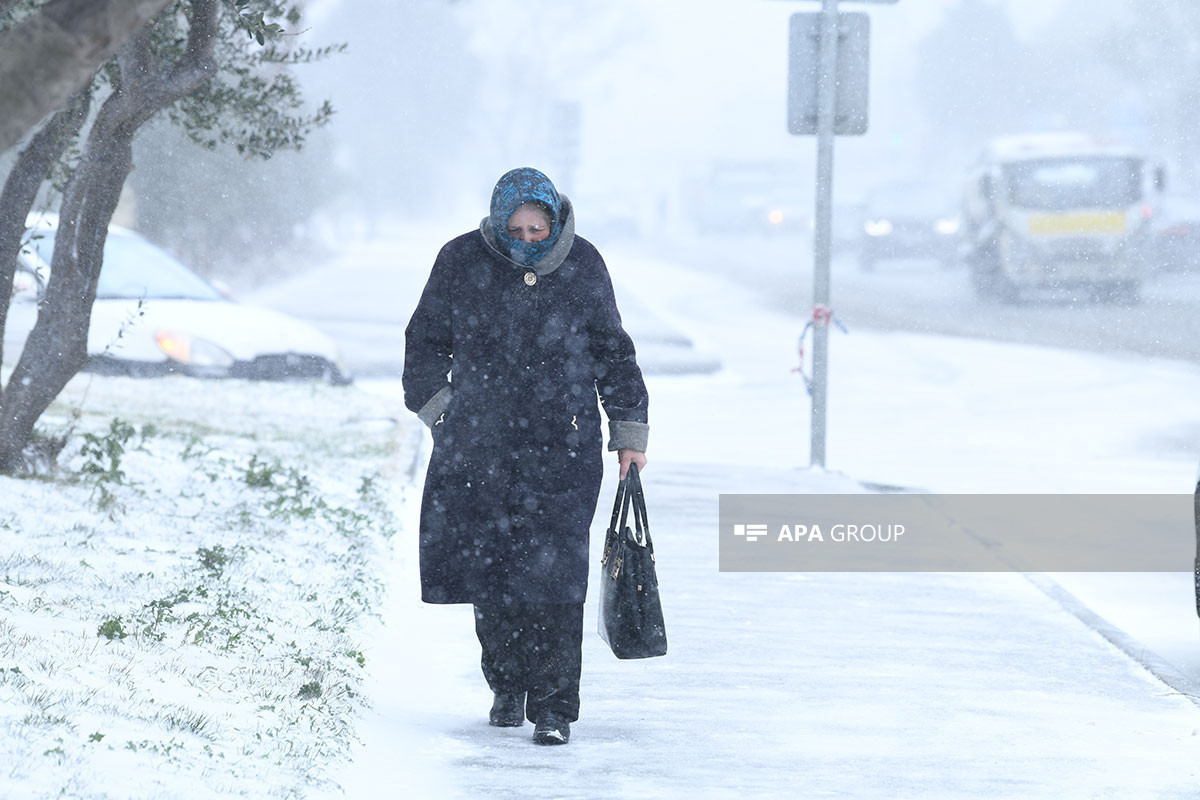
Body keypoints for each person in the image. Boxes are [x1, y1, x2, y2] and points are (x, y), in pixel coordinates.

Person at [402, 167, 649, 746]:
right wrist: (443, 411)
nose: (528, 239)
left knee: (557, 577)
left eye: (538, 229)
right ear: (497, 220)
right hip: (478, 448)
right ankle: (506, 685)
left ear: (555, 220)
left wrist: (630, 432)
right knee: (492, 572)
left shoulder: (583, 263)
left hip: (564, 449)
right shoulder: (461, 260)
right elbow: (425, 340)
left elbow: (614, 351)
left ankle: (555, 707)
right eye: (516, 228)